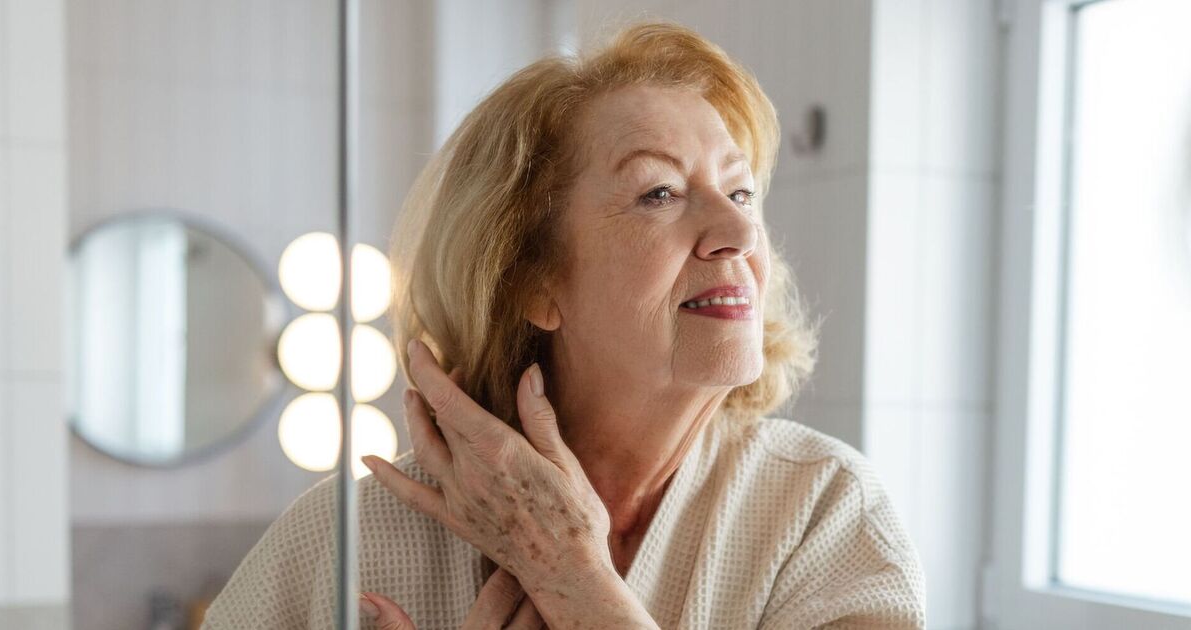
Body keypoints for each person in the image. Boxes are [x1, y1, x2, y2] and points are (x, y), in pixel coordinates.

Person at [203, 20, 926, 630]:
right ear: (532, 280)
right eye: (660, 193)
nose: (739, 231)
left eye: (740, 192)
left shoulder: (823, 512)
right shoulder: (346, 544)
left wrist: (578, 581)